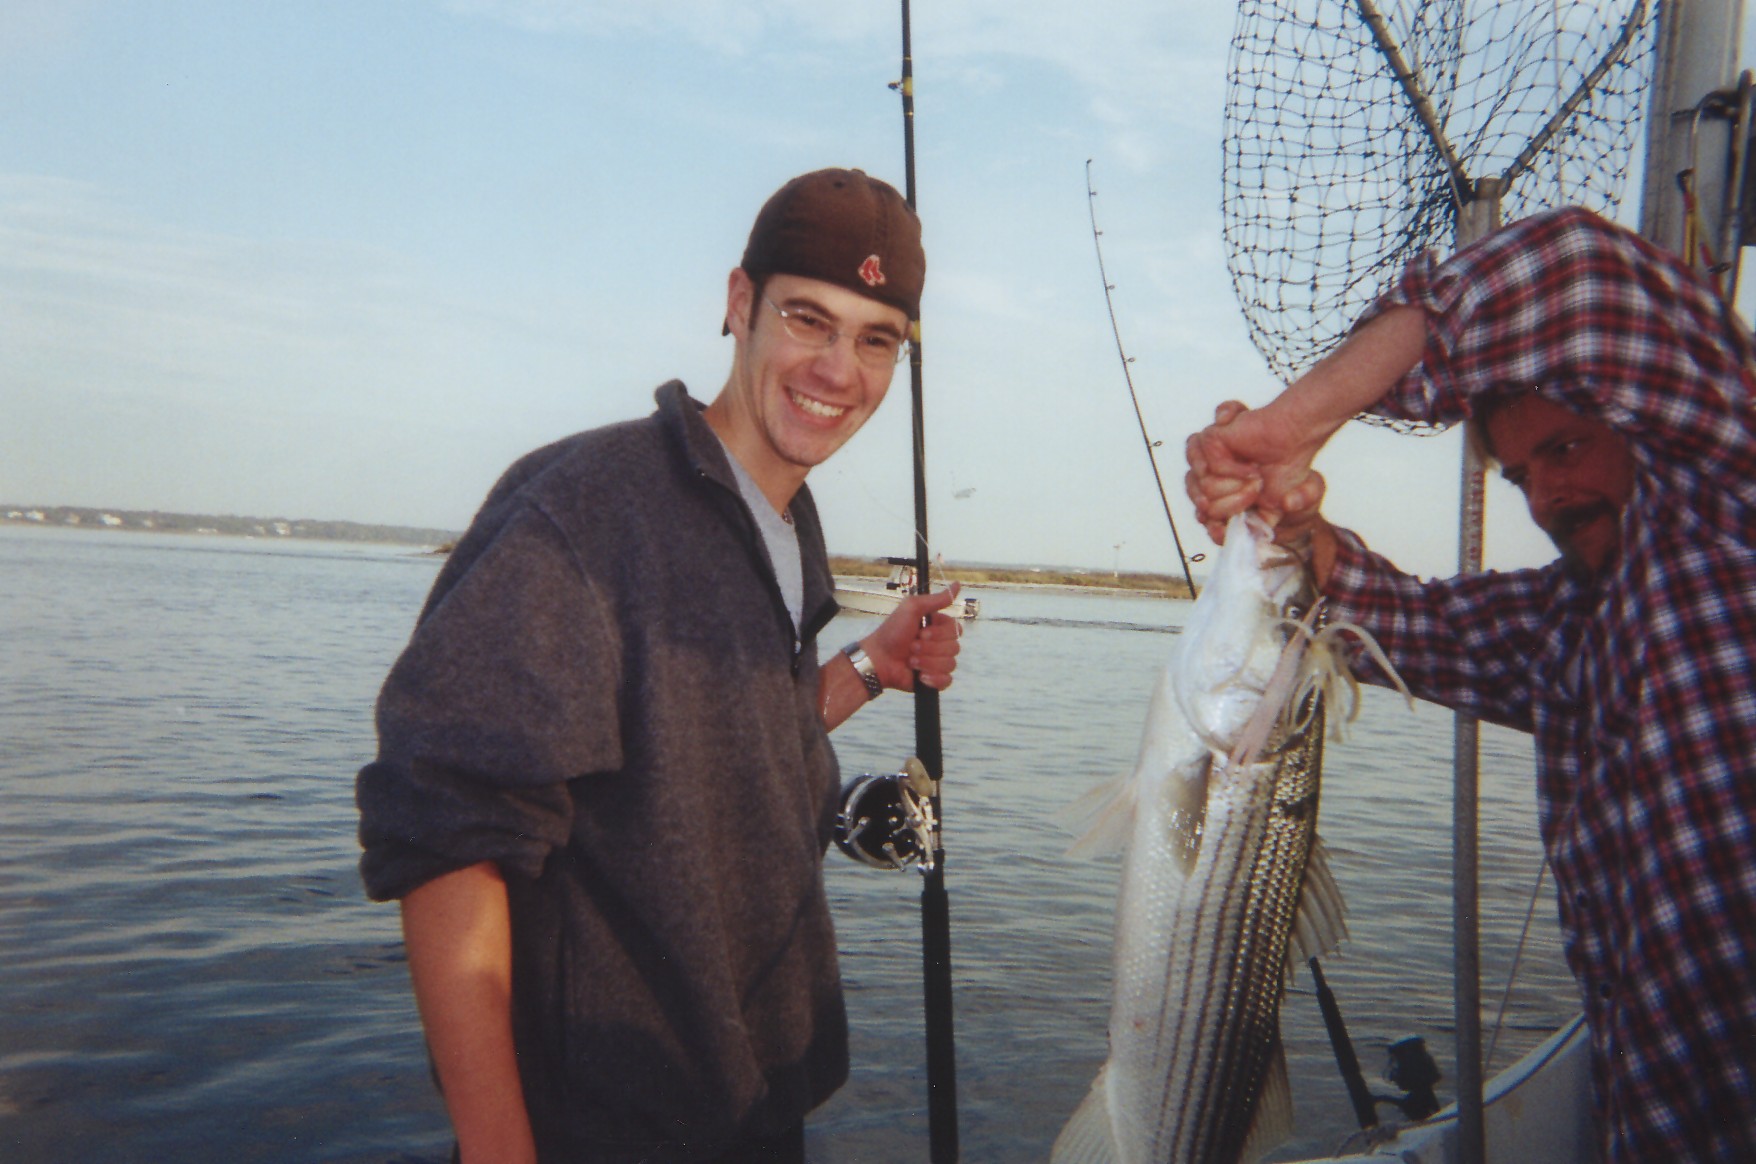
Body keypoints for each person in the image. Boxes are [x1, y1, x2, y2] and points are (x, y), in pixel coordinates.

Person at [356, 168, 963, 1164]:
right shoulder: (585, 510)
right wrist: (498, 1147)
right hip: (606, 1128)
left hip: (758, 1103)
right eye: (808, 319)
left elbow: (719, 751)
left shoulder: (786, 526)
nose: (837, 370)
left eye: (876, 339)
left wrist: (866, 665)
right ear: (739, 303)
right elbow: (447, 830)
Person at [1185, 206, 1756, 1163]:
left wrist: (1287, 427)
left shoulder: (1730, 519)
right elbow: (1406, 622)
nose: (1548, 494)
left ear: (1643, 425)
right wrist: (1284, 527)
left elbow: (1569, 264)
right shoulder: (1568, 625)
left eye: (1566, 448)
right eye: (1522, 474)